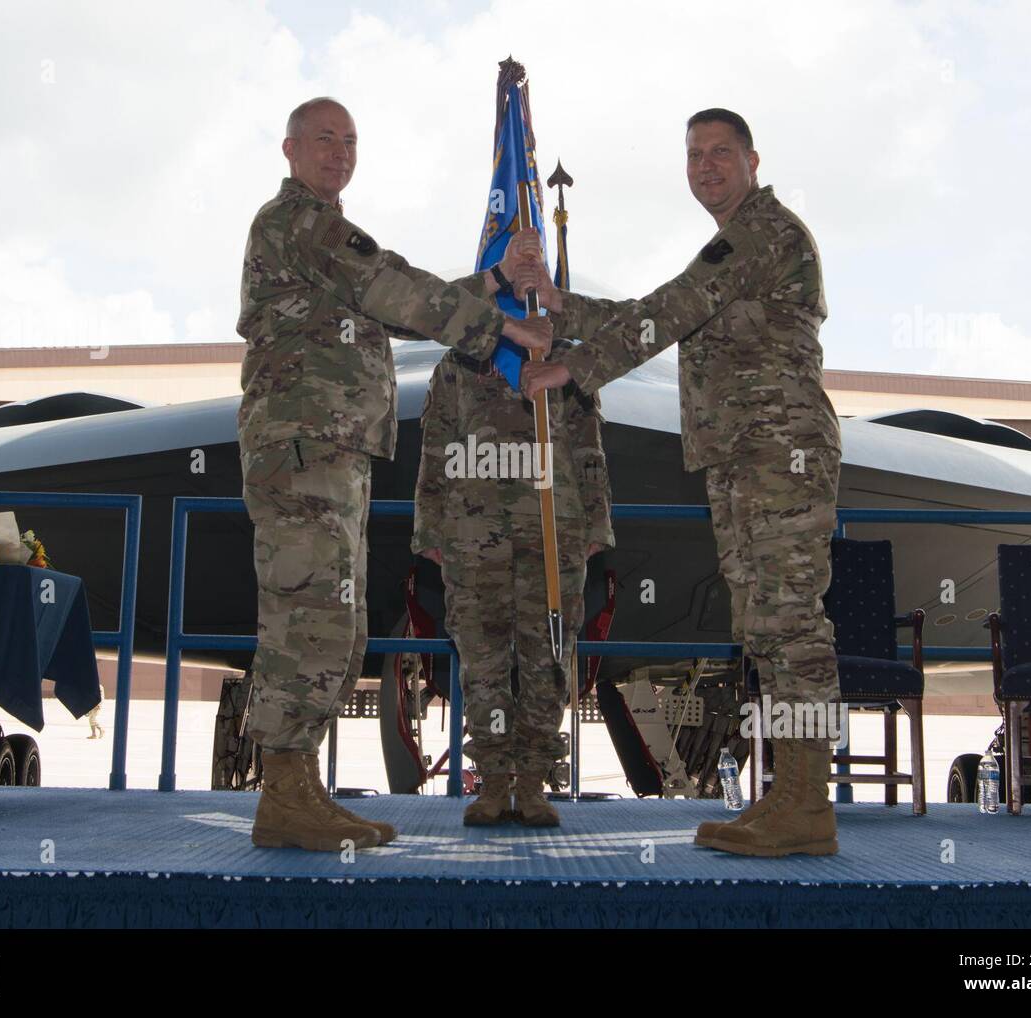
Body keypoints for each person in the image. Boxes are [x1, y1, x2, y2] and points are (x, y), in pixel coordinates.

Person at [518, 108, 841, 858]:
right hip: (742, 458)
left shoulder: (762, 232)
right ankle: (789, 795)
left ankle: (807, 801)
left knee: (791, 627)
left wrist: (573, 366)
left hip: (778, 454)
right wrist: (567, 311)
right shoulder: (729, 251)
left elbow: (670, 310)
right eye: (694, 154)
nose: (706, 166)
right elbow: (667, 313)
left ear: (753, 161)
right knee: (763, 628)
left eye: (720, 152)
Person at [237, 97, 552, 852]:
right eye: (323, 139)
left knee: (336, 625)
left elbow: (398, 296)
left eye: (350, 140)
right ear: (289, 149)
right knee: (305, 618)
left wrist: (495, 278)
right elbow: (390, 287)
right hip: (302, 451)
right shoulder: (297, 222)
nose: (338, 152)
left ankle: (297, 787)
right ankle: (283, 790)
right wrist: (507, 321)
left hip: (333, 454)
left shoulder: (327, 236)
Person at [413, 340, 613, 826]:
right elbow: (436, 444)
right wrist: (429, 527)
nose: (523, 267)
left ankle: (532, 785)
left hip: (553, 532)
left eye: (533, 260)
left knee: (548, 662)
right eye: (510, 260)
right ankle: (494, 783)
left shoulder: (567, 361)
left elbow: (589, 445)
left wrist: (595, 523)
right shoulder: (459, 360)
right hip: (473, 532)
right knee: (483, 664)